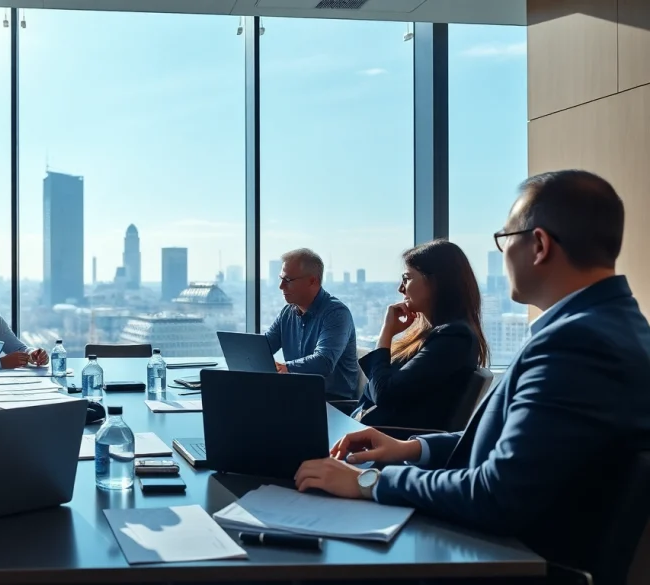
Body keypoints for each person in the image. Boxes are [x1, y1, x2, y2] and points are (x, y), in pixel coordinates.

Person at [293, 170, 650, 574]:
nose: (502, 253)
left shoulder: (578, 344)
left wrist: (368, 483)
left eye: (504, 239)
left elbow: (495, 495)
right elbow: (516, 443)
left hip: (508, 560)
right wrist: (410, 449)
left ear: (538, 245)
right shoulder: (612, 326)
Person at [352, 239, 488, 429]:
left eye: (407, 278)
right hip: (369, 432)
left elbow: (384, 394)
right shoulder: (434, 334)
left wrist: (386, 334)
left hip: (386, 443)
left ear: (436, 282)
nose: (401, 288)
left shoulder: (454, 338)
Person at [264, 248, 359, 399]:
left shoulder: (336, 313)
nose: (281, 286)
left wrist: (286, 368)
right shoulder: (287, 313)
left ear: (312, 281)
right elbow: (265, 346)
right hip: (297, 395)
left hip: (331, 402)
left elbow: (324, 362)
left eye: (287, 280)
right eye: (281, 278)